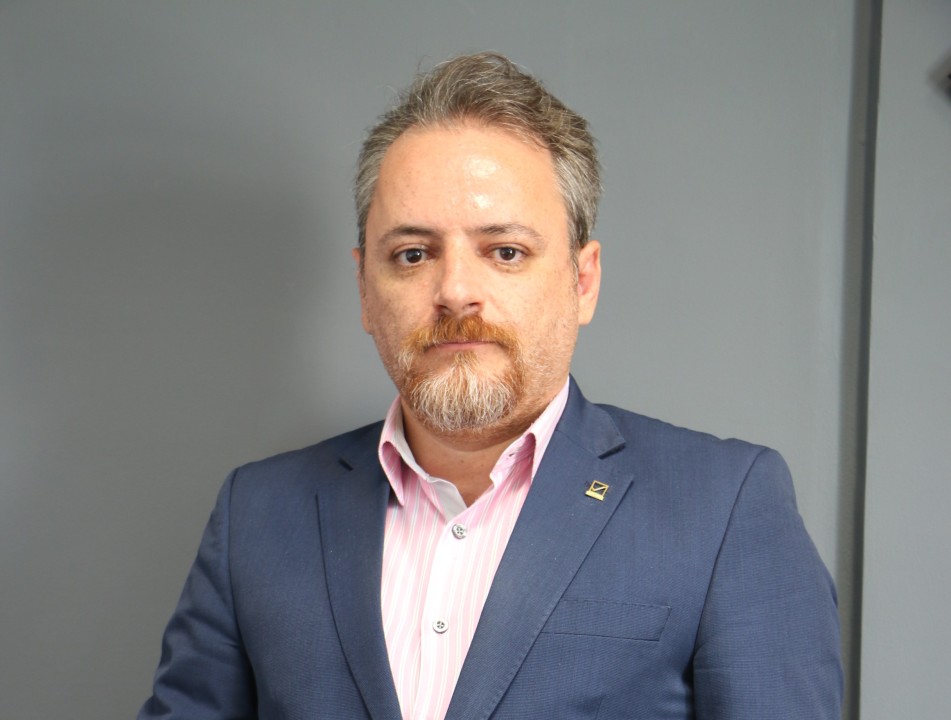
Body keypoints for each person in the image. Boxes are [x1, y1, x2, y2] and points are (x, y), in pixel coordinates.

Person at [139, 52, 842, 719]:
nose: (455, 290)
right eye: (412, 254)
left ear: (582, 281)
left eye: (505, 251)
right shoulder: (256, 515)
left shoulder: (722, 507)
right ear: (363, 289)